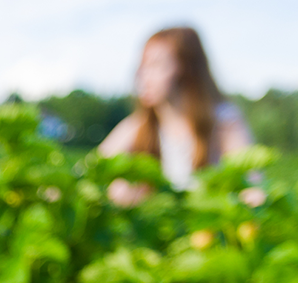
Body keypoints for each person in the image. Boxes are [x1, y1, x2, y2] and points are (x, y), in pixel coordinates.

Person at [99, 27, 253, 205]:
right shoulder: (139, 125)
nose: (143, 76)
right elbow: (93, 170)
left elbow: (250, 183)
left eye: (156, 65)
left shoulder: (223, 120)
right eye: (143, 66)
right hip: (162, 227)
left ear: (186, 68)